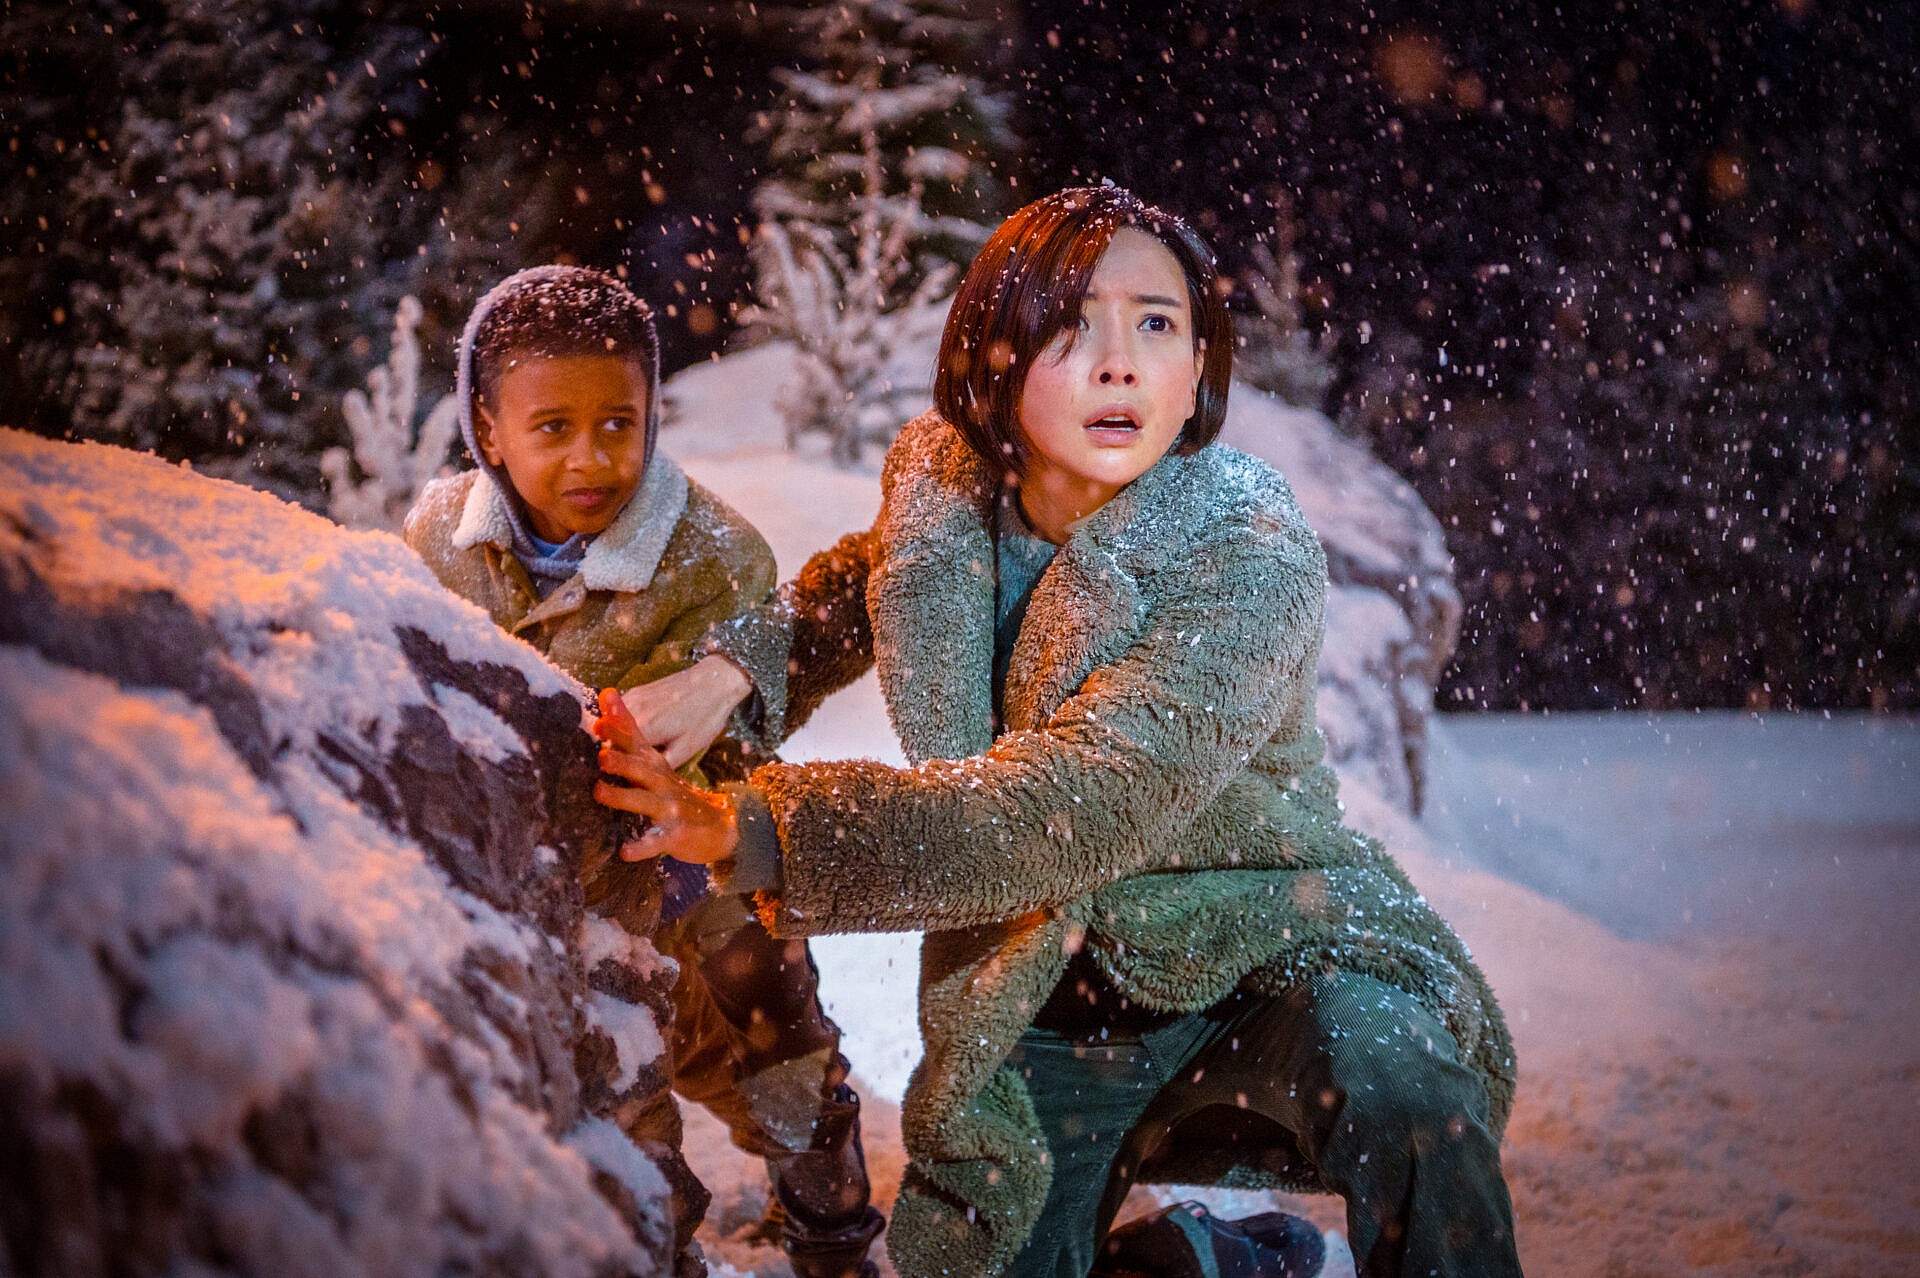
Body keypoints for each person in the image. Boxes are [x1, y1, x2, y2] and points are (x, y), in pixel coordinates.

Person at [594, 188, 1523, 1278]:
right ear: (992, 358)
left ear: (1197, 365)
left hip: (1264, 948)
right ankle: (1206, 1259)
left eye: (1156, 324)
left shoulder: (1249, 548)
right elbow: (865, 586)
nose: (1119, 365)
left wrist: (749, 829)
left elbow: (1068, 805)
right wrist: (731, 671)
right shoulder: (950, 498)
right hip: (1042, 990)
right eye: (1072, 327)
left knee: (1409, 1089)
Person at [402, 266, 882, 1278]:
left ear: (652, 417)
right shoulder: (438, 540)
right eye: (552, 428)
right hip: (528, 869)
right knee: (597, 1076)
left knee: (772, 1051)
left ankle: (832, 1228)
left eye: (618, 424)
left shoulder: (712, 557)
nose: (591, 458)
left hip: (688, 855)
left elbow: (726, 742)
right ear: (489, 430)